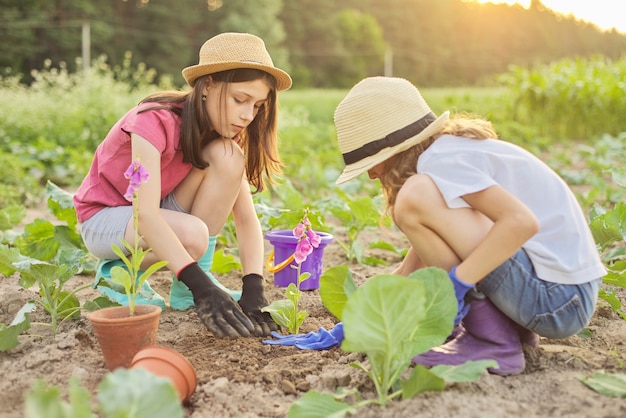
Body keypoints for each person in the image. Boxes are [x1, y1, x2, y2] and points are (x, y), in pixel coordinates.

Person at [332, 76, 605, 375]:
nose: (371, 174)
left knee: (411, 198)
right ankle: (505, 330)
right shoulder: (449, 151)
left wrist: (458, 285)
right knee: (416, 199)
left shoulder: (442, 162)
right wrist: (362, 319)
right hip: (565, 295)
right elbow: (417, 260)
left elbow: (520, 222)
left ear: (395, 149)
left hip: (556, 299)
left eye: (372, 161)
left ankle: (492, 340)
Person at [73, 32, 292, 338]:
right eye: (240, 100)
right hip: (106, 218)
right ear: (208, 86)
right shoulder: (152, 122)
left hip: (155, 215)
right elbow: (145, 215)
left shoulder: (225, 133)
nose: (247, 115)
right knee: (192, 234)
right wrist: (203, 287)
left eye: (257, 105)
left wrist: (253, 288)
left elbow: (245, 219)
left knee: (228, 156)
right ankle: (118, 272)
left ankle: (183, 292)